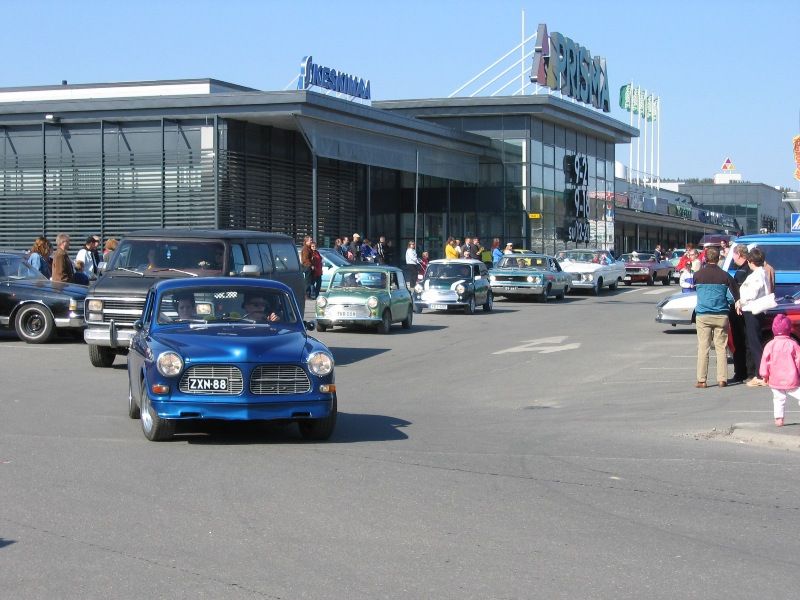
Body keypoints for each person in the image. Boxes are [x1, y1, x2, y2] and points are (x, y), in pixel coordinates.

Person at [693, 246, 739, 388]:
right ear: (719, 258)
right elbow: (732, 297)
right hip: (721, 315)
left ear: (706, 258)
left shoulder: (698, 275)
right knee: (721, 347)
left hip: (703, 315)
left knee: (703, 347)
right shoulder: (725, 276)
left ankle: (702, 380)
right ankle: (722, 379)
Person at [736, 247, 770, 387]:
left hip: (753, 311)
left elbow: (751, 293)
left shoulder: (757, 275)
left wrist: (740, 302)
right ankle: (760, 373)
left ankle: (761, 375)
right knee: (755, 342)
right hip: (755, 310)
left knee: (755, 343)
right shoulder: (761, 273)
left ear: (751, 261)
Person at [759, 314, 800, 427]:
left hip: (775, 378)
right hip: (791, 378)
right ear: (788, 329)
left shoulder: (770, 345)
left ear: (773, 329)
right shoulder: (793, 344)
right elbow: (799, 361)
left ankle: (779, 419)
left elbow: (764, 362)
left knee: (778, 399)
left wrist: (764, 375)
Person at [729, 244, 751, 383]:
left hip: (739, 311)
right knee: (748, 342)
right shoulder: (750, 268)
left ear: (739, 254)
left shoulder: (742, 272)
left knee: (740, 342)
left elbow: (737, 292)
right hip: (748, 311)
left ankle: (741, 372)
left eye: (734, 254)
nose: (733, 258)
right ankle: (748, 372)